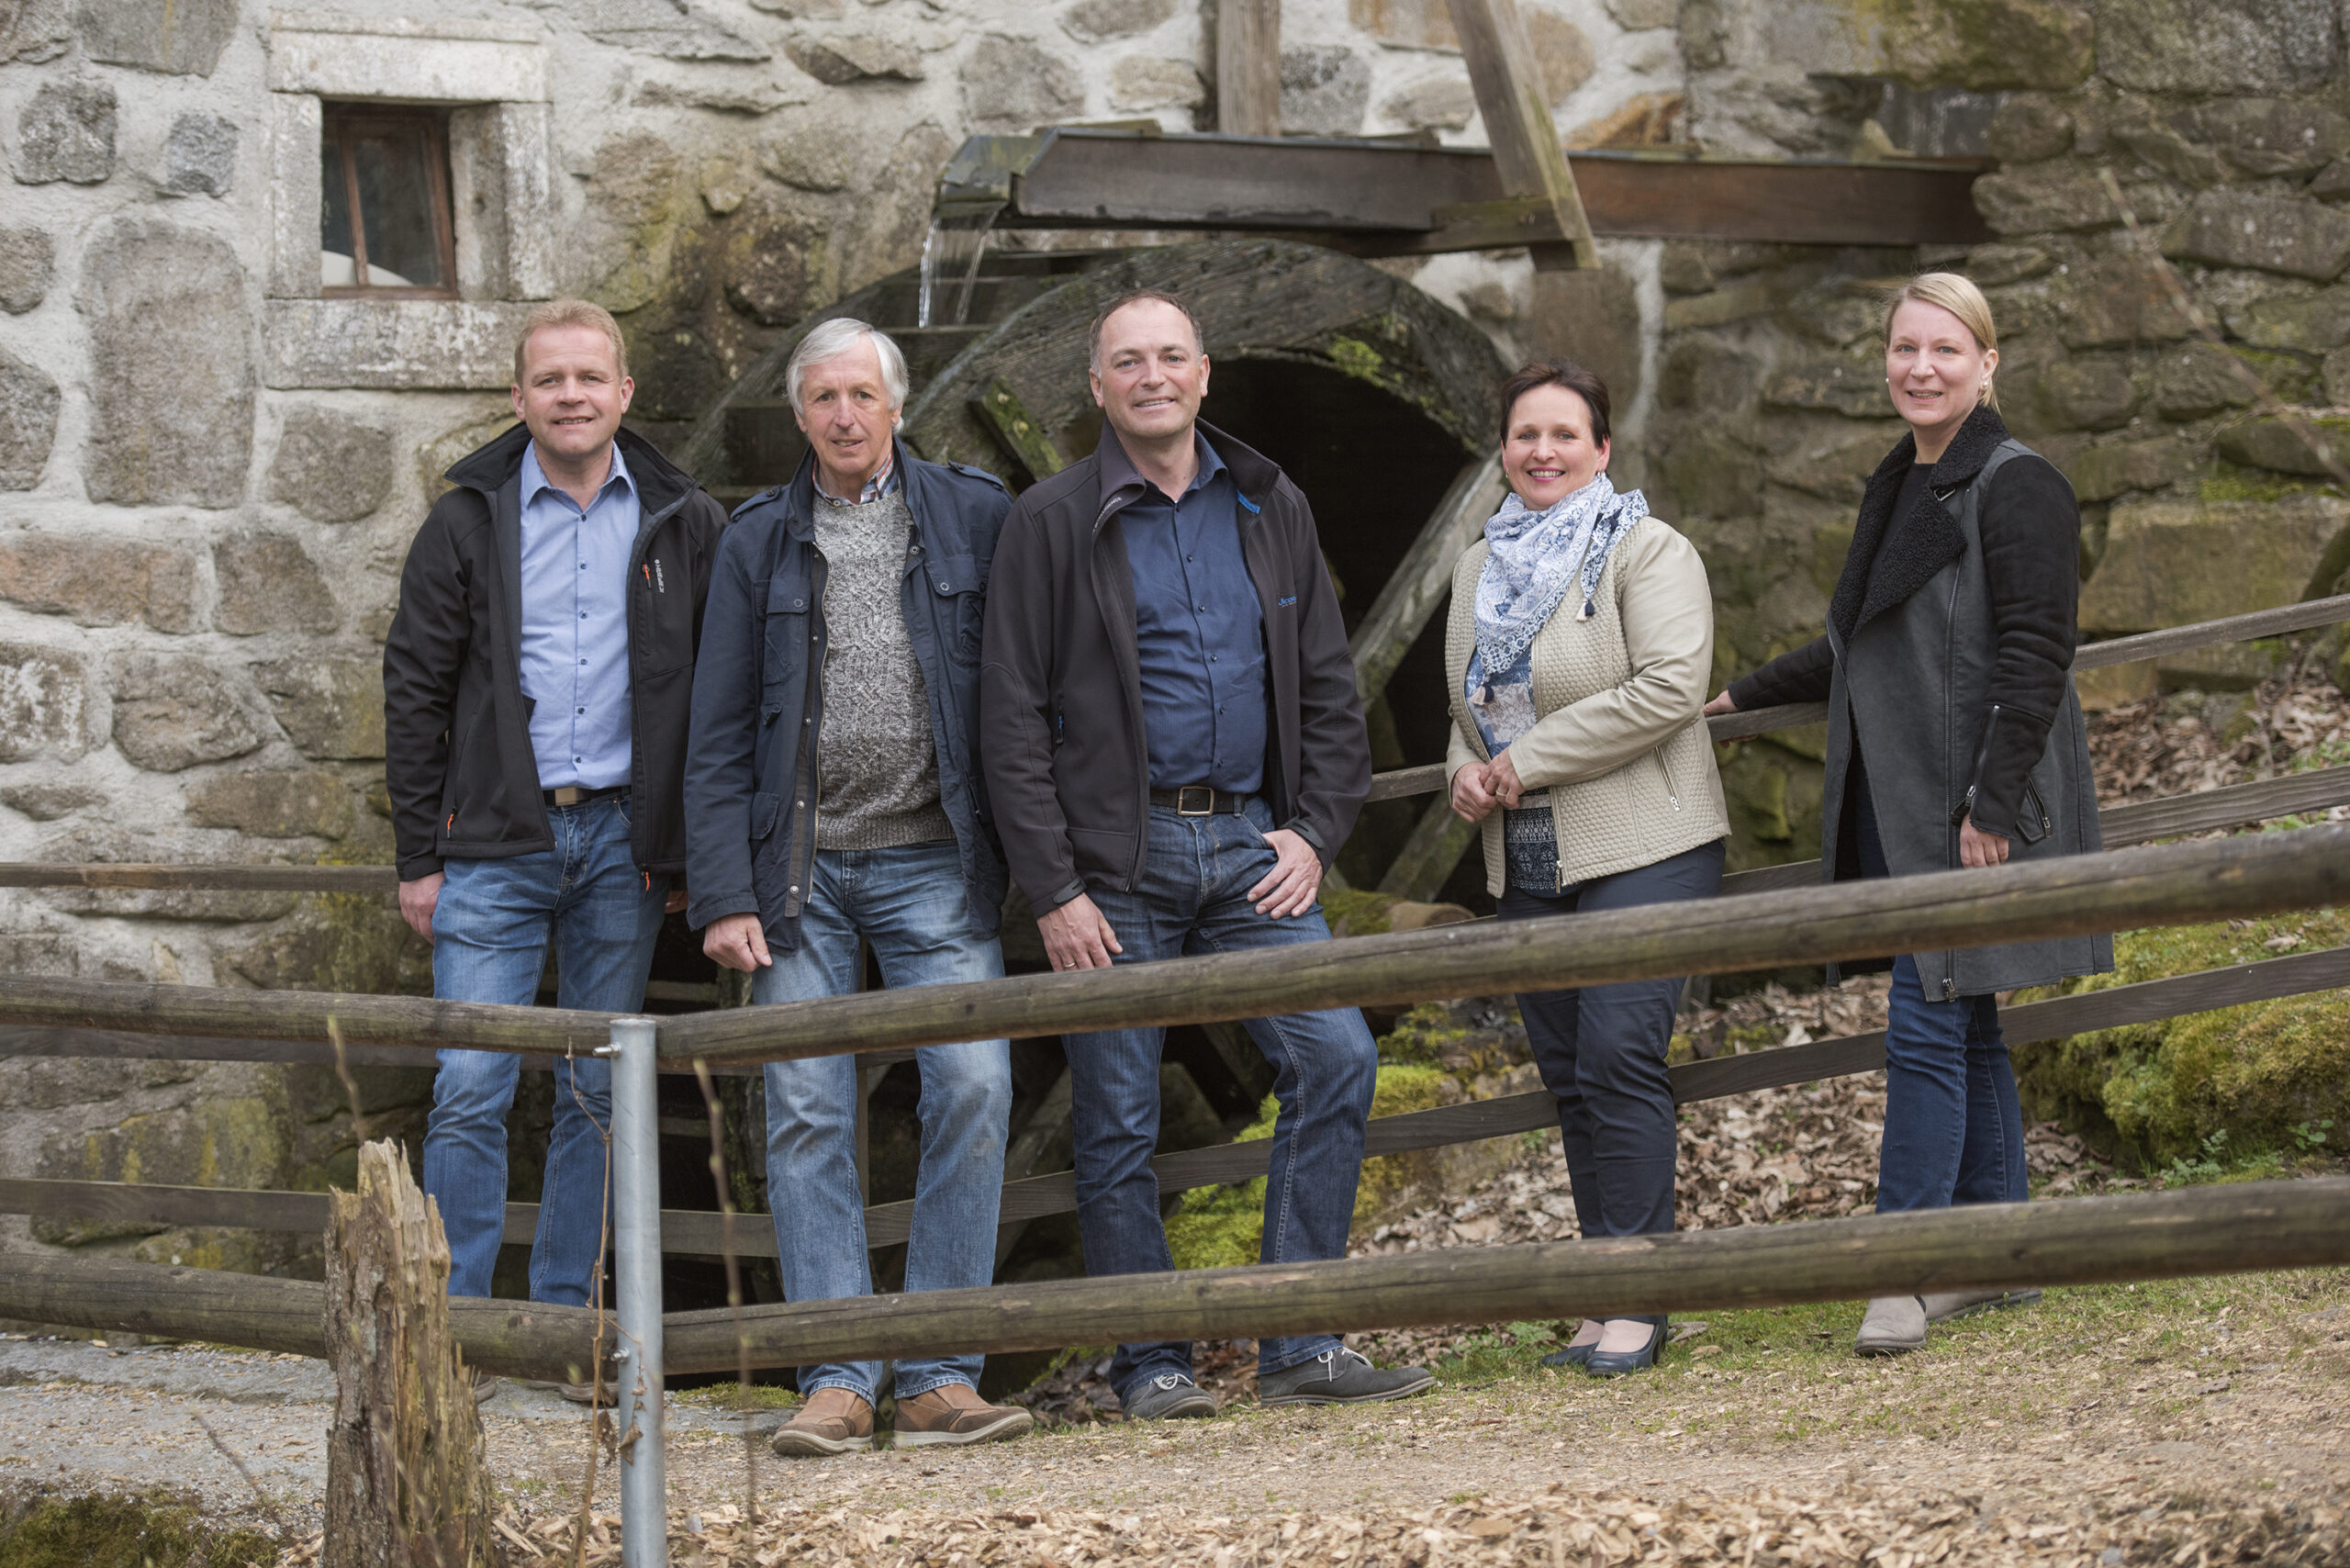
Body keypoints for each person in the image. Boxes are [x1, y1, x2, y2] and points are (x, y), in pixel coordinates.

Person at [979, 288, 1433, 1420]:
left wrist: (1316, 831)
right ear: (1096, 388)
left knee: (1335, 1060)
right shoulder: (1049, 519)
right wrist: (1055, 888)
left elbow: (1327, 689)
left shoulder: (1269, 503)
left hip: (1246, 846)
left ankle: (1300, 1345)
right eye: (1126, 361)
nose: (1150, 376)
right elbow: (1009, 720)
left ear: (1203, 372)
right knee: (1118, 1115)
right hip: (1113, 865)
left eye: (1169, 357)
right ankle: (1153, 1364)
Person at [1705, 272, 2109, 1357]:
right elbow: (1860, 637)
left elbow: (2035, 653)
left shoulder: (2018, 484)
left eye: (1943, 350)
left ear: (1987, 364)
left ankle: (1906, 1265)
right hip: (1901, 791)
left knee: (1924, 1022)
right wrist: (1744, 692)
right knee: (1962, 1012)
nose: (1919, 368)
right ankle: (1993, 1252)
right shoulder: (1900, 480)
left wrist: (1994, 802)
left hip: (1970, 797)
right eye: (1903, 349)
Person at [685, 318, 1032, 1456]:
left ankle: (938, 1374)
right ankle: (834, 1377)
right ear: (800, 414)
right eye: (822, 398)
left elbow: (1029, 691)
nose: (843, 416)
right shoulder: (756, 541)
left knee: (975, 1089)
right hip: (801, 871)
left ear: (896, 406)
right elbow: (719, 730)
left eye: (861, 396)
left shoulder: (976, 514)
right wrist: (723, 892)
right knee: (803, 1110)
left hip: (935, 856)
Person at [383, 299, 724, 1394]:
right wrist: (416, 859)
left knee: (595, 1096)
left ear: (624, 393)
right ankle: (462, 1335)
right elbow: (415, 691)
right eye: (549, 380)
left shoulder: (682, 517)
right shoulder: (466, 521)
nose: (571, 395)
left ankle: (565, 1327)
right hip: (490, 841)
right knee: (471, 1084)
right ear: (520, 398)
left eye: (590, 377)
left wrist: (685, 854)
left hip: (622, 843)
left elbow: (719, 701)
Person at [1443, 359, 1729, 1378]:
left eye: (1565, 434)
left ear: (1602, 450)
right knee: (1570, 1076)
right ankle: (1606, 1288)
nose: (1544, 451)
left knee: (1616, 1054)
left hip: (1646, 842)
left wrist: (1521, 761)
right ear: (1504, 450)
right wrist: (1467, 777)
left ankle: (1642, 1299)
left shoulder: (1648, 552)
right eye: (1525, 435)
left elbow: (1666, 691)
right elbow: (1464, 712)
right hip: (1526, 854)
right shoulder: (1478, 567)